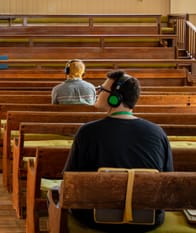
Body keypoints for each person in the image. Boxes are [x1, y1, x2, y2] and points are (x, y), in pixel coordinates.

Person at [62, 70, 173, 233]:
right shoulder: (157, 133)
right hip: (148, 220)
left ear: (115, 98)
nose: (98, 92)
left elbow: (69, 179)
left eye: (103, 90)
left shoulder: (87, 132)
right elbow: (167, 179)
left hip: (95, 219)